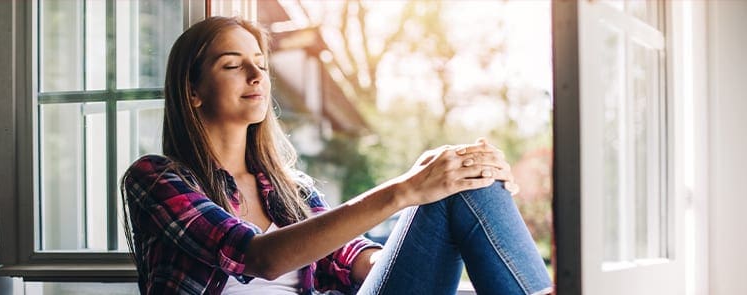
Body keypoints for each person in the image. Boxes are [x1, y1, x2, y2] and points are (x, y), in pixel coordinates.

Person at [121, 16, 552, 295]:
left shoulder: (291, 190)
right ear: (192, 90)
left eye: (261, 64)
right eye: (233, 65)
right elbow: (258, 257)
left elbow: (349, 259)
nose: (256, 76)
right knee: (434, 179)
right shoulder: (156, 179)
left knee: (460, 177)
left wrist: (422, 248)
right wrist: (405, 190)